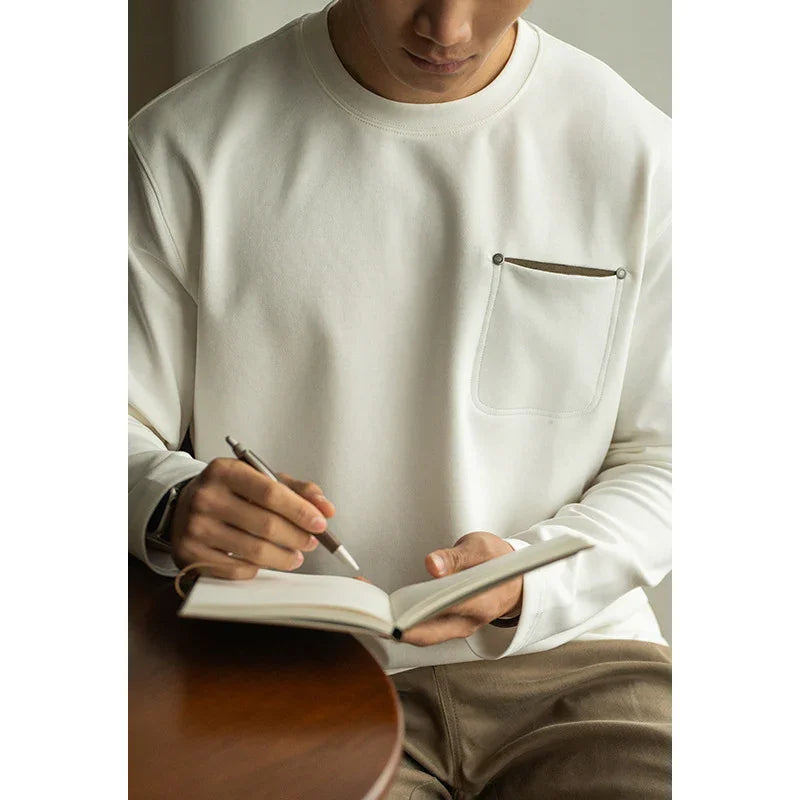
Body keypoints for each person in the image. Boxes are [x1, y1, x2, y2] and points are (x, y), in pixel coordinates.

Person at [129, 0, 671, 796]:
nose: (447, 29)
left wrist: (530, 580)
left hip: (578, 666)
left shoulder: (641, 155)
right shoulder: (182, 148)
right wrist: (171, 502)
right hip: (286, 681)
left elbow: (674, 458)